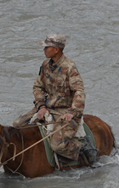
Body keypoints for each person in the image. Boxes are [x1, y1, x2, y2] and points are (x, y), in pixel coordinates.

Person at [13, 34, 96, 162]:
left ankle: (82, 146)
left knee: (58, 146)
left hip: (66, 111)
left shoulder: (69, 67)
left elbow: (79, 91)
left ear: (56, 49)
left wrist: (72, 112)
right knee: (17, 125)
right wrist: (41, 106)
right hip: (47, 107)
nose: (44, 50)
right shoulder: (45, 65)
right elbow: (38, 87)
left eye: (47, 47)